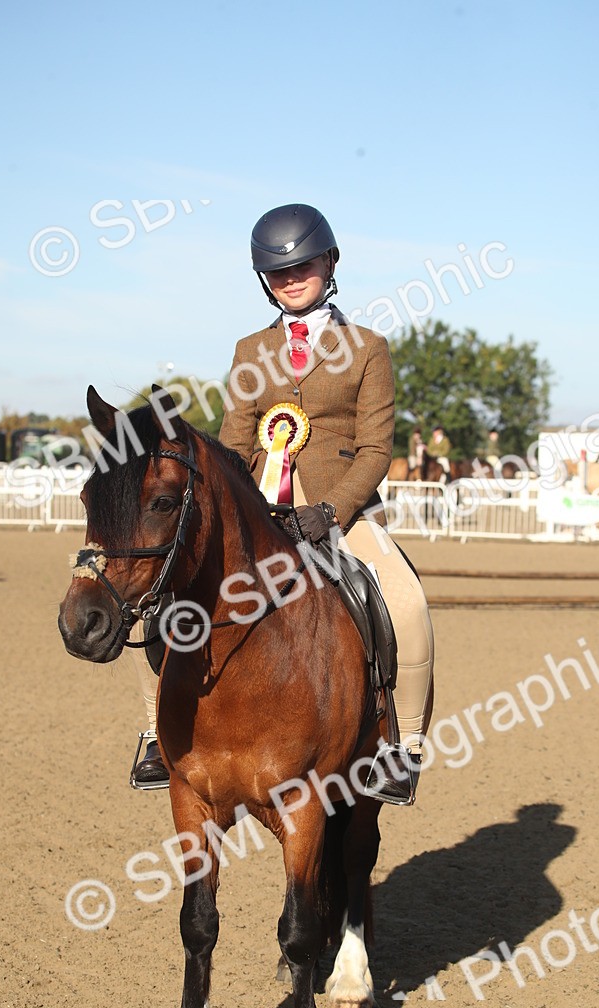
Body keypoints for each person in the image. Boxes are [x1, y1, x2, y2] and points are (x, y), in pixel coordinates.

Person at [218, 203, 435, 803]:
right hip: (258, 508)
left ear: (329, 262)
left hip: (341, 512)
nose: (291, 278)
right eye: (277, 271)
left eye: (303, 265)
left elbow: (375, 449)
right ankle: (160, 731)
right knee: (166, 591)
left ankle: (403, 745)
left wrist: (331, 511)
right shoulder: (247, 350)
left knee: (407, 602)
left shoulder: (367, 348)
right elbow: (235, 439)